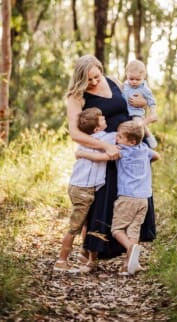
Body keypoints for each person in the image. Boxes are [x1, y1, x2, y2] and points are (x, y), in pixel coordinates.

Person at [66, 54, 156, 269]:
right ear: (80, 79)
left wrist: (143, 103)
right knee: (104, 202)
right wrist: (105, 147)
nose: (95, 82)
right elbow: (75, 133)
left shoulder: (116, 82)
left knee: (134, 197)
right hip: (108, 152)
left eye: (97, 76)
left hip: (131, 149)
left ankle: (130, 259)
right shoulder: (76, 96)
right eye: (89, 80)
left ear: (101, 69)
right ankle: (92, 255)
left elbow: (134, 106)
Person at [78, 120, 160, 276]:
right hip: (144, 199)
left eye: (120, 137)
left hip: (127, 198)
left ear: (131, 141)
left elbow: (101, 158)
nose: (117, 139)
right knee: (133, 230)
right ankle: (130, 264)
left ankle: (130, 248)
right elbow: (157, 155)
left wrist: (81, 153)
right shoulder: (144, 149)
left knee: (116, 230)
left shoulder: (121, 150)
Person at [53, 107, 116, 273]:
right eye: (102, 118)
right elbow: (116, 140)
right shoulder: (104, 138)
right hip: (83, 190)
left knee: (86, 224)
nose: (105, 119)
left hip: (78, 187)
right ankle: (61, 260)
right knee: (75, 226)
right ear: (96, 129)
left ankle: (84, 254)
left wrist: (81, 153)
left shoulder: (84, 140)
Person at [122, 59, 158, 148]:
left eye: (138, 79)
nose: (134, 81)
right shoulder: (125, 85)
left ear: (144, 77)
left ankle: (146, 140)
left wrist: (153, 112)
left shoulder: (144, 88)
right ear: (127, 75)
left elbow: (151, 101)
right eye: (131, 79)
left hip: (136, 113)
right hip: (125, 112)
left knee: (138, 126)